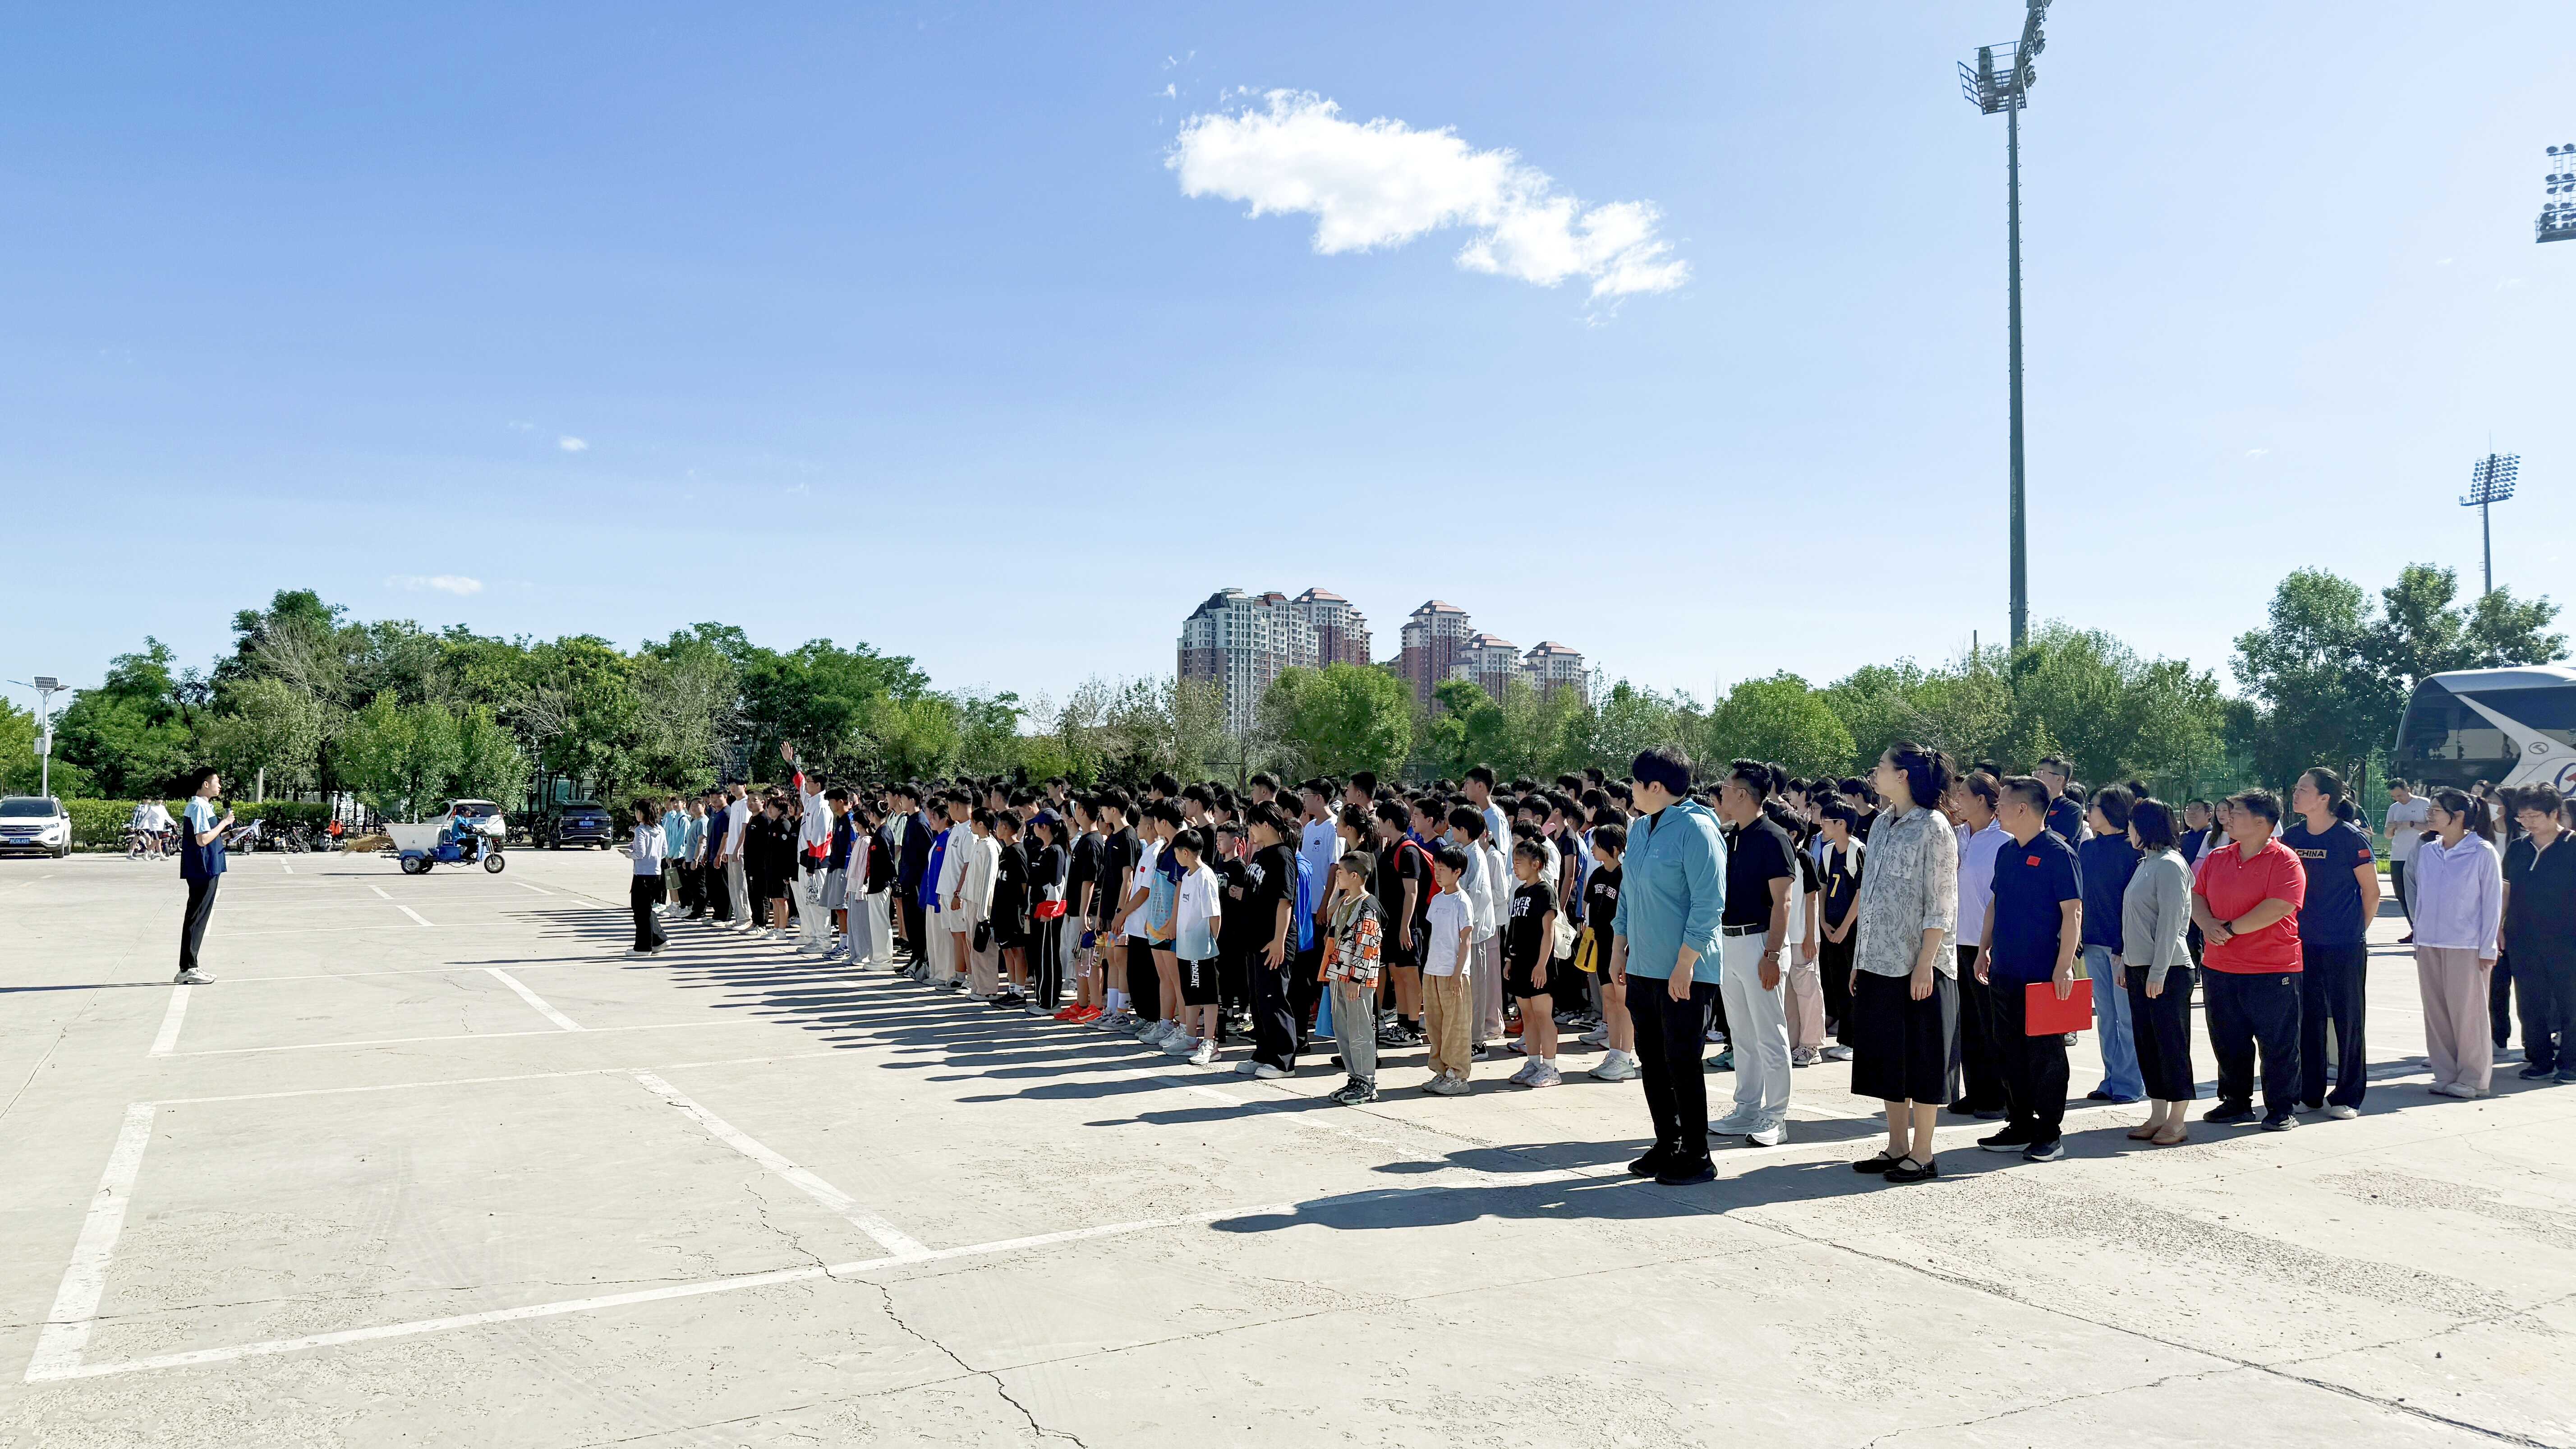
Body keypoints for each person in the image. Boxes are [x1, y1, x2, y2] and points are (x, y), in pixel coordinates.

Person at [1610, 745, 1730, 1187]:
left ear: (1656, 786)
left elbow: (1709, 903)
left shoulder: (1698, 829)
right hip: (1644, 965)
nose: (1632, 790)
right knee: (1653, 1059)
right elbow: (1628, 895)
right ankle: (1668, 1142)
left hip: (1685, 971)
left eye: (1636, 782)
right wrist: (1618, 948)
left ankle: (1697, 1153)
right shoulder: (1641, 828)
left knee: (1683, 1061)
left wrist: (1685, 962)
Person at [1845, 742, 1961, 1185]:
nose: (1875, 773)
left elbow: (1941, 903)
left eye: (1881, 766)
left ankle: (1923, 1152)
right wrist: (1860, 957)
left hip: (1919, 964)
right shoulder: (1880, 824)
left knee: (1923, 1059)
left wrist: (1926, 963)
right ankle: (1896, 1145)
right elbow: (1872, 895)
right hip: (1879, 960)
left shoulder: (1934, 827)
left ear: (1904, 775)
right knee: (1887, 1059)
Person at [1979, 776, 2082, 1163]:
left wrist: (2064, 966)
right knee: (2008, 1050)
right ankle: (2019, 1123)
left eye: (2003, 803)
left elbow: (2073, 912)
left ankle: (2049, 1131)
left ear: (2023, 808)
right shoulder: (2007, 852)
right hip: (2005, 969)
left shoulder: (2058, 852)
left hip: (2043, 974)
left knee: (2046, 1055)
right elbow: (1995, 903)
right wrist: (1984, 949)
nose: (1997, 810)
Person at [2193, 789, 2307, 1131]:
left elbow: (2280, 906)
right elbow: (2196, 896)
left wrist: (2229, 929)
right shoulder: (2218, 857)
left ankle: (2281, 1108)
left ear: (2262, 822)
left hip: (2271, 967)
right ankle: (2236, 1102)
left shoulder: (2285, 860)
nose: (2227, 818)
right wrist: (2208, 924)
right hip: (2220, 966)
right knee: (2228, 1038)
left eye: (2237, 812)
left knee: (2277, 1042)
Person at [2283, 767, 2380, 1118]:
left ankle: (2348, 1096)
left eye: (2303, 789)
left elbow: (2371, 892)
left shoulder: (2350, 838)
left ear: (2324, 798)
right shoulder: (2292, 837)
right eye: (2296, 788)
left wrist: (2355, 931)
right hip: (2302, 943)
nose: (2296, 794)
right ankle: (2309, 1092)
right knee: (2307, 1019)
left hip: (2344, 944)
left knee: (2347, 1019)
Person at [1713, 760, 1795, 1147]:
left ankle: (1776, 1115)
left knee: (1769, 1034)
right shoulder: (1731, 836)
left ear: (1743, 794)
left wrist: (1772, 954)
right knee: (1742, 1034)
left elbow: (1784, 902)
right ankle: (1747, 1107)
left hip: (1761, 943)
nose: (1722, 794)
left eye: (1727, 788)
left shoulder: (1773, 838)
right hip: (1730, 942)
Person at [2410, 789, 2502, 1098]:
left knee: (2468, 1014)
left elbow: (2492, 902)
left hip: (2467, 945)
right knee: (2436, 1013)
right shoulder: (2428, 851)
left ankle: (2474, 1079)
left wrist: (2488, 948)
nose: (2430, 815)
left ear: (2459, 816)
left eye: (2437, 810)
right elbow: (2422, 898)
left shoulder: (2482, 852)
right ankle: (2445, 1073)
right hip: (2429, 942)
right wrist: (2418, 938)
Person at [2117, 798, 2196, 1144]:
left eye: (2132, 824)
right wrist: (2127, 961)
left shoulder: (2170, 865)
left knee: (2171, 1044)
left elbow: (2170, 924)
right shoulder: (2146, 863)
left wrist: (2158, 971)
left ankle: (2177, 1120)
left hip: (2168, 969)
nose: (2129, 830)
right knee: (2148, 1044)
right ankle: (2158, 1113)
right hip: (2140, 968)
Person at [2502, 787, 2576, 1083]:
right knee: (2530, 1002)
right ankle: (2539, 1059)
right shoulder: (2518, 848)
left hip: (2567, 939)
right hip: (2523, 937)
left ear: (2554, 813)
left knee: (2571, 1002)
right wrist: (2498, 927)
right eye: (2522, 817)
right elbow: (2506, 890)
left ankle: (2571, 1063)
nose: (2528, 822)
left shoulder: (2572, 845)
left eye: (2534, 816)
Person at [2077, 786, 2145, 1105]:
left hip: (2124, 947)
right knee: (2105, 1016)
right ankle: (2110, 1078)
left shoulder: (2134, 851)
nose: (2088, 812)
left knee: (2127, 1017)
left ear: (2112, 810)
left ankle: (2129, 1083)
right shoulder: (2087, 849)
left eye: (2093, 806)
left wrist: (2123, 945)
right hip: (2093, 941)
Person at [1948, 773, 2010, 1119]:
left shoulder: (2004, 839)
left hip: (1988, 944)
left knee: (1992, 1022)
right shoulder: (1955, 836)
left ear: (1982, 800)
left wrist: (1991, 943)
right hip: (1957, 940)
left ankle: (1998, 1096)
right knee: (1968, 1022)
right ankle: (1975, 1092)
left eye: (1962, 794)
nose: (1956, 800)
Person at [1322, 852, 1386, 1105]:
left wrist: (1356, 980)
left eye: (1341, 872)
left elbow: (1368, 946)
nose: (1337, 875)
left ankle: (1366, 1082)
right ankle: (1354, 1077)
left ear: (1355, 876)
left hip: (1356, 981)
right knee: (1343, 1028)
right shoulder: (1346, 902)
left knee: (1360, 1029)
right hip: (1339, 975)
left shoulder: (1367, 907)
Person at [1503, 838, 1563, 1088]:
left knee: (1542, 1015)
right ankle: (1533, 1062)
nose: (1515, 868)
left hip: (1539, 964)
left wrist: (1542, 965)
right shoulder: (1519, 892)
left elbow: (1549, 931)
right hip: (1520, 963)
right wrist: (1509, 959)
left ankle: (1550, 1067)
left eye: (1519, 863)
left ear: (1536, 864)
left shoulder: (1545, 891)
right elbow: (1514, 928)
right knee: (1527, 1015)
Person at [1581, 824, 1637, 1081]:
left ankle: (1626, 1057)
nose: (1593, 849)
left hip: (1621, 947)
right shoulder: (1597, 875)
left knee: (1623, 1002)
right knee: (1610, 1001)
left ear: (1614, 849)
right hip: (1601, 944)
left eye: (1597, 845)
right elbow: (1590, 906)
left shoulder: (1626, 875)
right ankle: (1614, 1053)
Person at [1166, 827, 1225, 1065]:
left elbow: (1215, 915)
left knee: (1208, 996)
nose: (1175, 857)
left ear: (1186, 853)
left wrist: (1211, 942)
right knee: (1191, 993)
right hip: (1186, 946)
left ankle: (1210, 1043)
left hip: (1202, 947)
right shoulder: (1188, 876)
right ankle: (1190, 1037)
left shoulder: (1205, 876)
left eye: (1177, 852)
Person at [1420, 845, 1475, 1095]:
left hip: (1454, 973)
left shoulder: (1463, 902)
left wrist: (1457, 973)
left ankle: (1458, 1075)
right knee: (1435, 1024)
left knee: (1456, 1025)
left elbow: (1466, 940)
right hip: (1433, 969)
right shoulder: (1438, 899)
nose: (1438, 873)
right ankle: (1441, 1071)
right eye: (1437, 868)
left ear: (1457, 872)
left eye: (1443, 869)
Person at [175, 767, 231, 984]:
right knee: (196, 916)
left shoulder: (204, 806)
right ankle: (188, 968)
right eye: (217, 782)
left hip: (208, 866)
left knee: (199, 916)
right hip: (202, 868)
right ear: (206, 784)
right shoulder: (198, 806)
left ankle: (190, 966)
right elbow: (202, 839)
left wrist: (228, 832)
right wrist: (224, 823)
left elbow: (209, 837)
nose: (220, 786)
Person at [2385, 779, 2431, 943]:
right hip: (2398, 855)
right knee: (2402, 894)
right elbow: (2387, 835)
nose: (2398, 799)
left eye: (2400, 795)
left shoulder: (2424, 804)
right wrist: (2392, 828)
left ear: (2408, 789)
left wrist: (2411, 824)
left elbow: (2432, 827)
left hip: (2419, 854)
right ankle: (2414, 928)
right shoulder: (2394, 808)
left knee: (2420, 893)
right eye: (2394, 797)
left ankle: (2424, 928)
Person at [626, 799, 667, 959]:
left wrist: (629, 854)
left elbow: (640, 853)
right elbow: (664, 852)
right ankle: (659, 940)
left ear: (643, 813)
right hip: (656, 873)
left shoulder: (641, 830)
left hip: (642, 874)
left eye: (638, 811)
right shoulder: (660, 829)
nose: (636, 814)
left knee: (640, 912)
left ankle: (643, 947)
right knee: (647, 909)